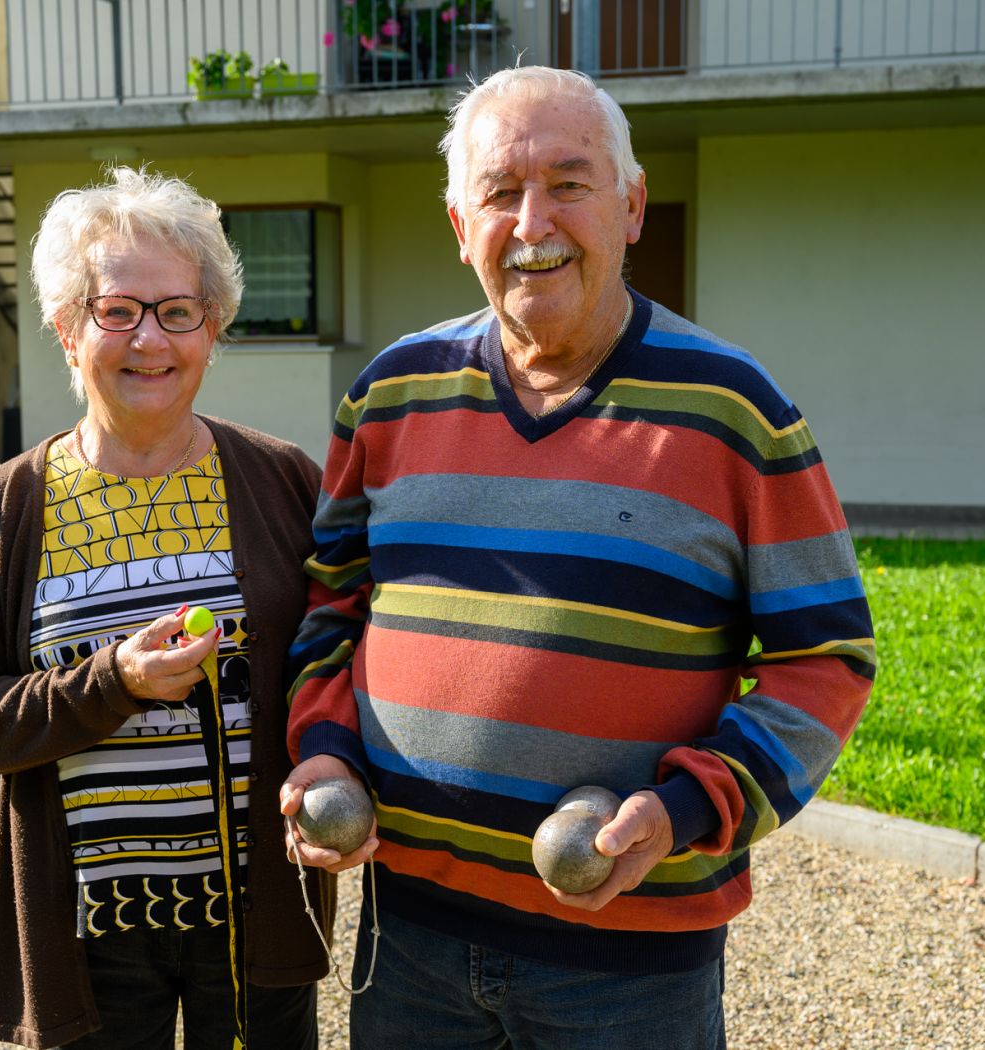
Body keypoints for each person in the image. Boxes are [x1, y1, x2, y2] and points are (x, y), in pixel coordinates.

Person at [281, 66, 875, 1049]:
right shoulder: (389, 395)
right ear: (458, 224)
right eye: (499, 192)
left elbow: (825, 659)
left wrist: (689, 806)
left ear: (631, 207)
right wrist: (323, 747)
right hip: (410, 934)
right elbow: (330, 606)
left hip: (625, 964)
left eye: (568, 184)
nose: (532, 222)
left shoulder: (735, 411)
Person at [0, 167, 331, 1050]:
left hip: (253, 916)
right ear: (67, 330)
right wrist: (114, 682)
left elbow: (341, 661)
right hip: (87, 931)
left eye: (177, 311)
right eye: (117, 311)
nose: (150, 339)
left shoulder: (283, 480)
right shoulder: (2, 509)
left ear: (211, 328)